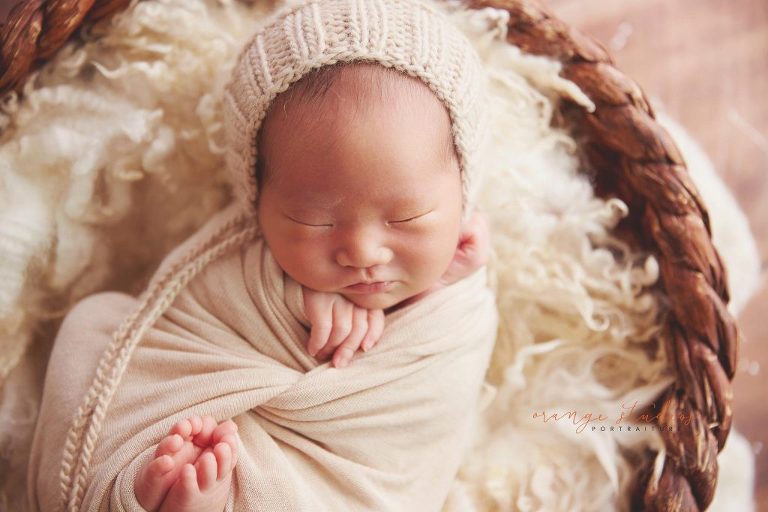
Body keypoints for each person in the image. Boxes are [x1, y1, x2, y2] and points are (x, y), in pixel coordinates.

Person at [29, 1, 498, 511]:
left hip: (342, 485)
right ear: (257, 201)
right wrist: (286, 299)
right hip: (224, 426)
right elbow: (178, 332)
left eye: (407, 217)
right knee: (97, 329)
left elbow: (418, 429)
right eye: (315, 221)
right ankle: (178, 492)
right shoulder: (236, 259)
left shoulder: (461, 310)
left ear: (462, 194)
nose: (363, 253)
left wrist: (435, 286)